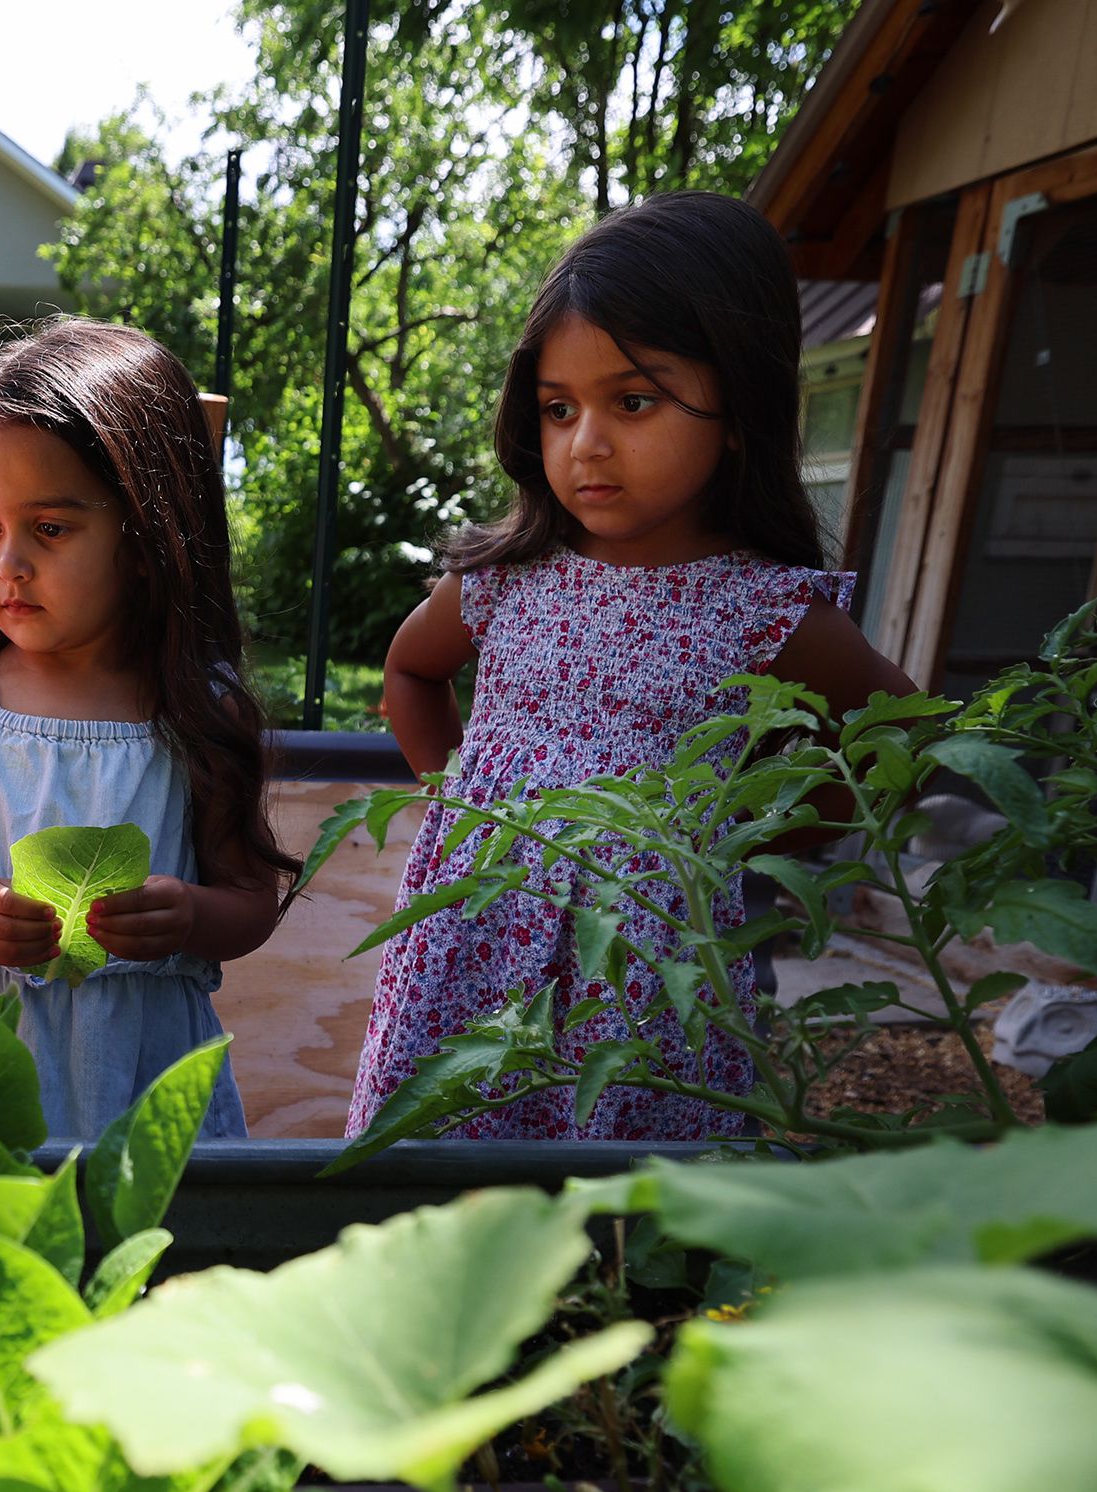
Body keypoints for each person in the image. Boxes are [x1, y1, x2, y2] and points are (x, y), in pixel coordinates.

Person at [347, 192, 913, 1144]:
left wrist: (761, 837)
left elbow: (905, 731)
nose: (586, 445)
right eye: (558, 409)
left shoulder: (764, 608)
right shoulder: (509, 579)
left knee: (620, 1224)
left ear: (740, 406)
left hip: (650, 980)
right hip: (474, 943)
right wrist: (466, 806)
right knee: (441, 1171)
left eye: (634, 401)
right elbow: (409, 674)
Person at [0, 319, 290, 1141]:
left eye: (51, 529)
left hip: (146, 1085)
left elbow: (250, 900)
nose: (7, 564)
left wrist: (189, 915)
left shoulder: (197, 715)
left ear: (147, 535)